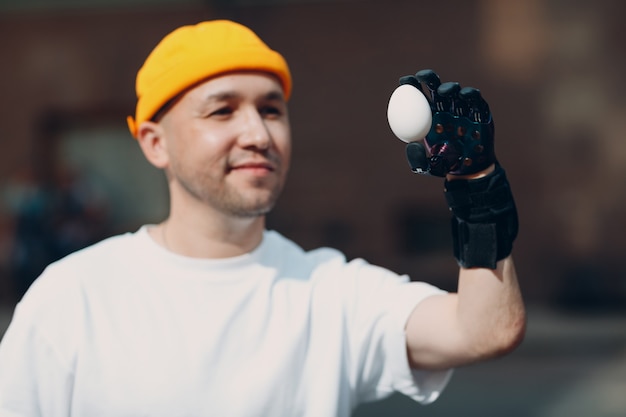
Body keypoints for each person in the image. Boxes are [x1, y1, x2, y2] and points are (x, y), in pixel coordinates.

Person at [0, 20, 525, 416]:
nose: (258, 133)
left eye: (271, 109)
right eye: (222, 110)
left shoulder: (330, 291)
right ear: (155, 143)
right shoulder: (72, 299)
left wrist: (476, 187)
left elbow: (483, 330)